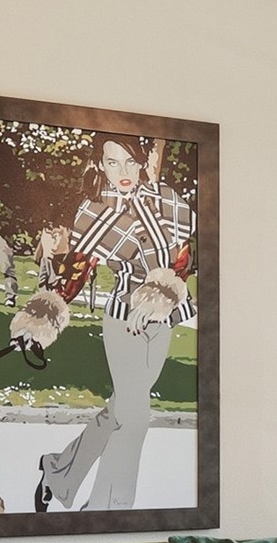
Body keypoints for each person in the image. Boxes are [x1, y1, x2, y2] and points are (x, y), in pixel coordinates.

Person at [35, 137, 195, 512]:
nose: (122, 171)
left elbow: (183, 259)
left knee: (120, 410)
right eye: (112, 163)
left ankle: (58, 471)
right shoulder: (94, 211)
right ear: (101, 166)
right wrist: (40, 319)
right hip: (125, 322)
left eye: (129, 162)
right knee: (135, 418)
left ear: (141, 163)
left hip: (162, 319)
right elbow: (76, 272)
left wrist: (162, 293)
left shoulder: (165, 199)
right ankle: (107, 510)